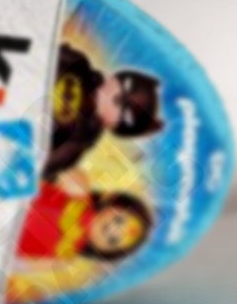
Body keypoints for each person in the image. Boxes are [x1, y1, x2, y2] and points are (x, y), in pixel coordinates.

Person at [43, 46, 164, 180]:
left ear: (115, 127)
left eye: (126, 113)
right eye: (127, 86)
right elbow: (45, 47)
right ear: (114, 77)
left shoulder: (80, 139)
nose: (119, 99)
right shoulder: (79, 65)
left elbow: (43, 162)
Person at [16, 183, 153, 264]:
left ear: (102, 252)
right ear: (113, 202)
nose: (112, 229)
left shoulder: (65, 256)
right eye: (118, 220)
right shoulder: (80, 193)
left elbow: (20, 263)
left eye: (113, 240)